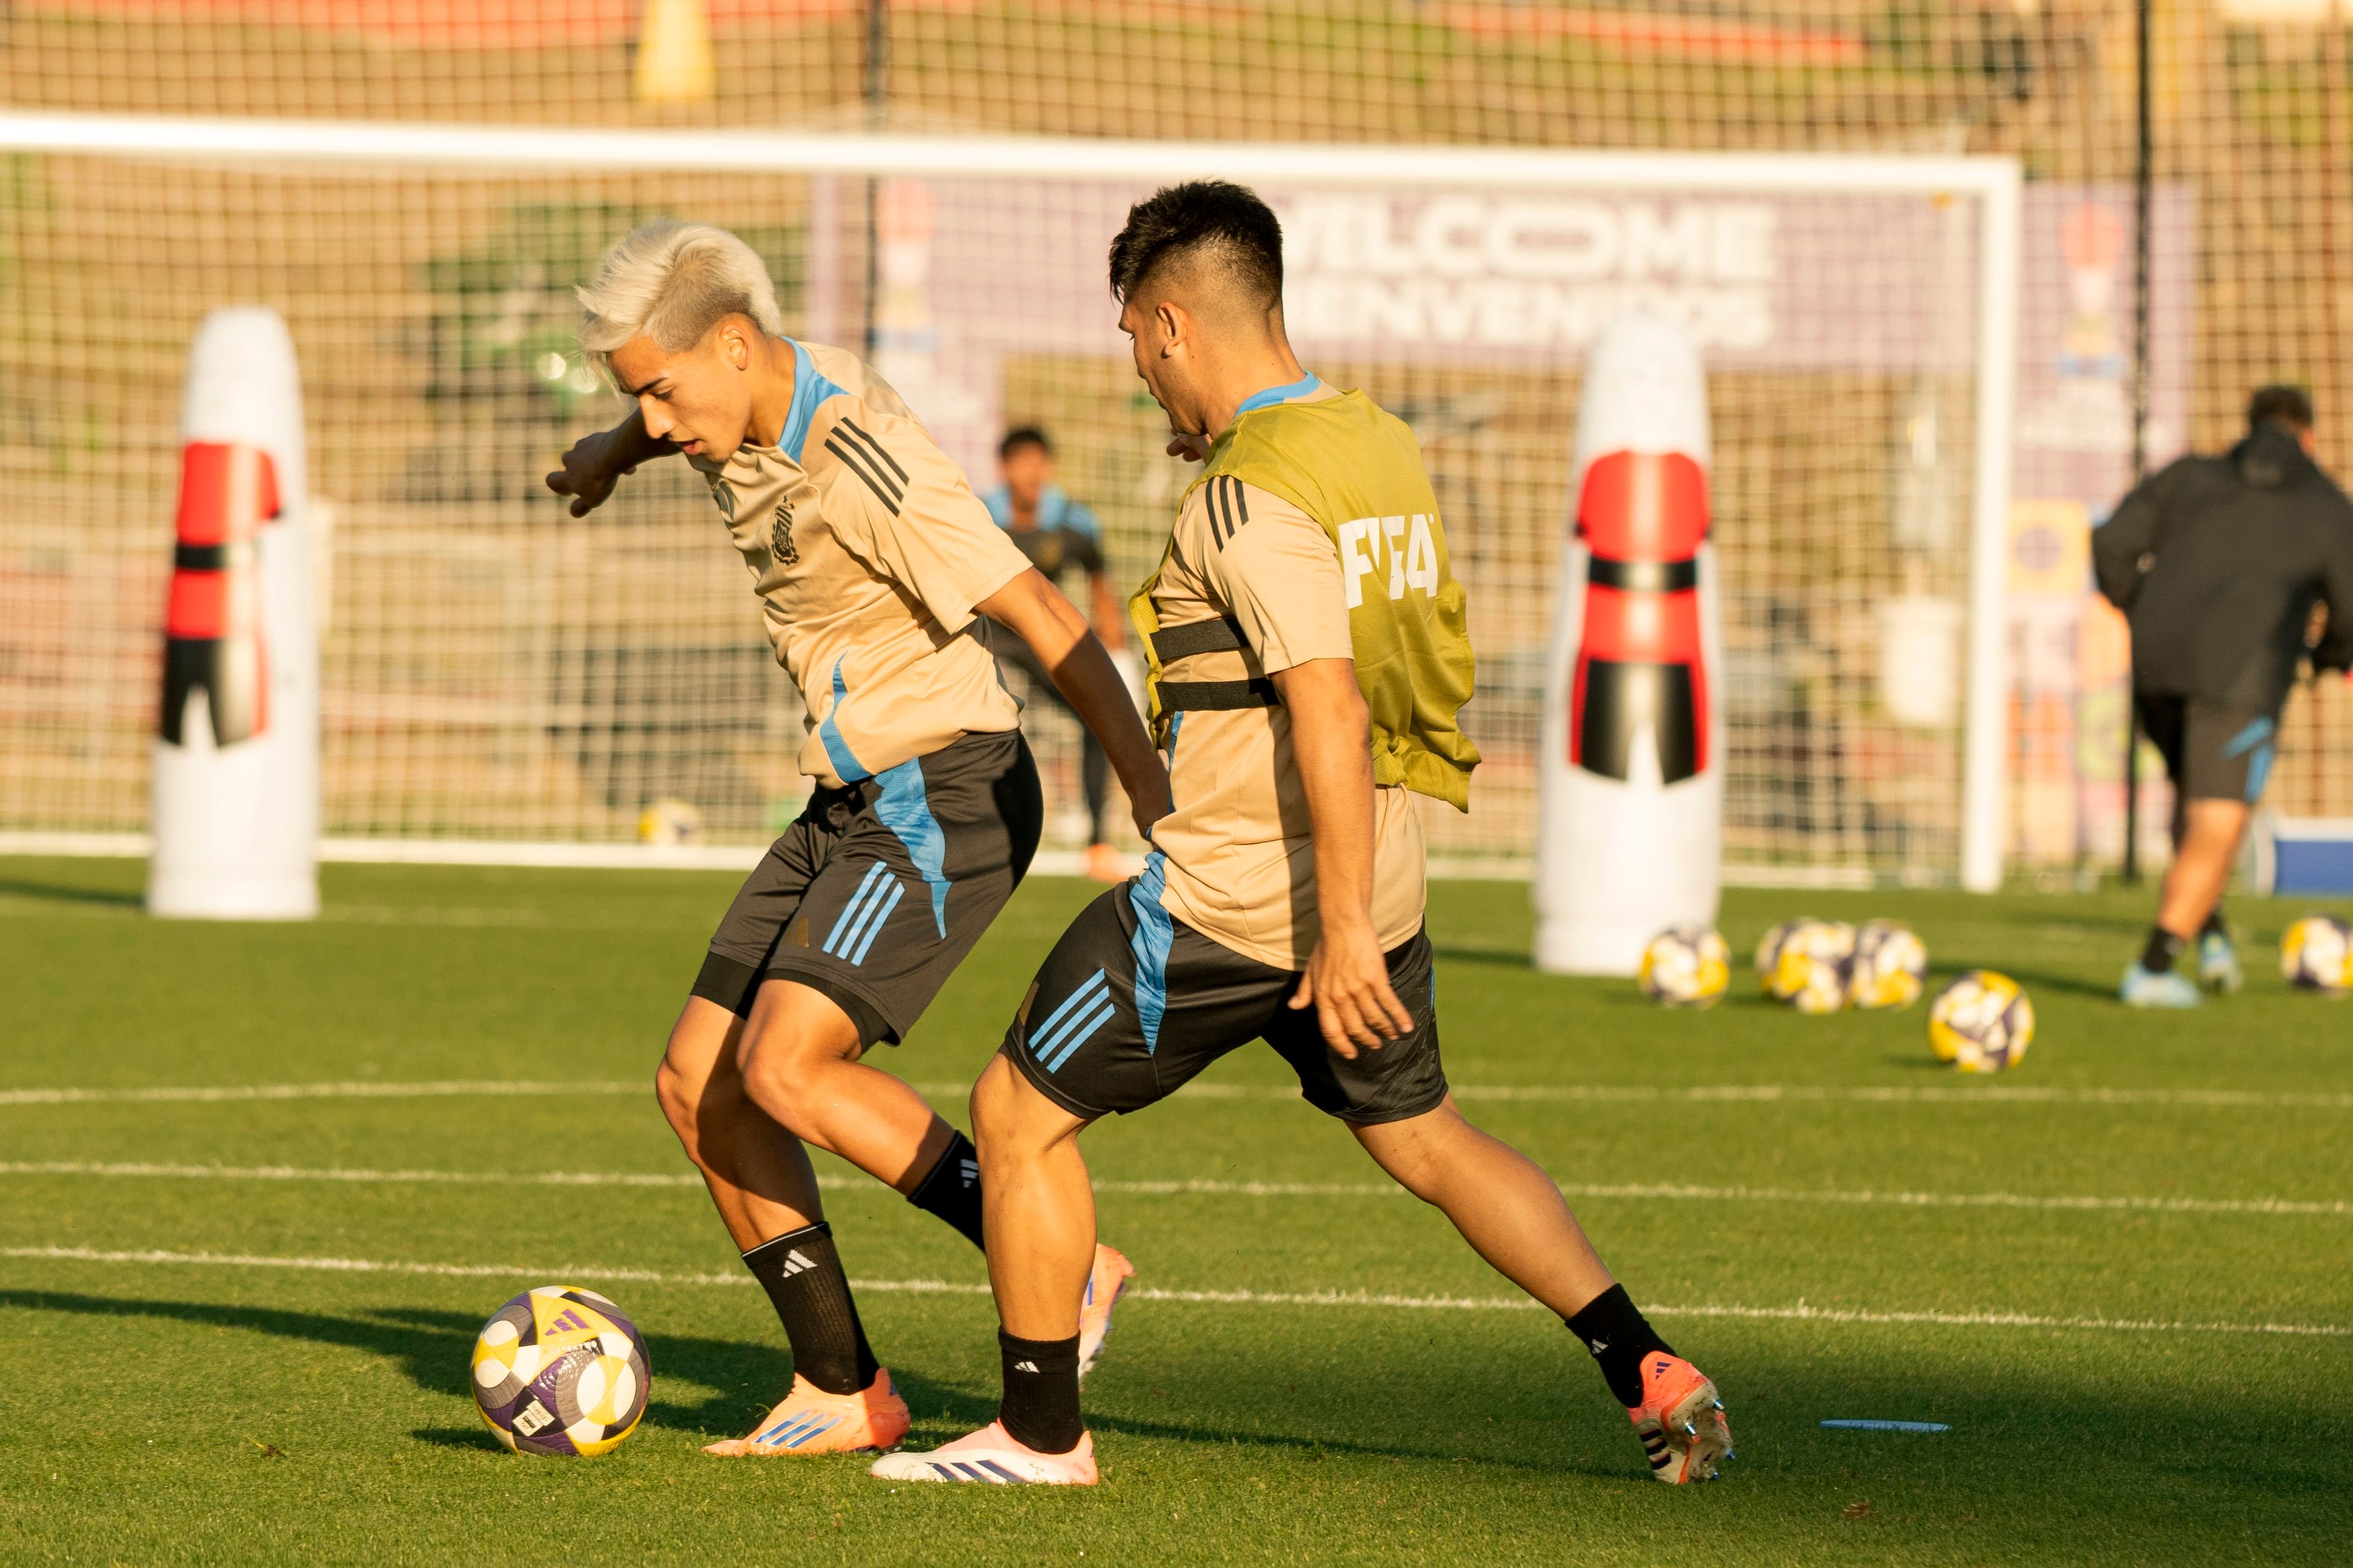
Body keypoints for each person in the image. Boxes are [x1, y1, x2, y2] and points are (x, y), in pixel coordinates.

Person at [871, 182, 1732, 1488]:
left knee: (1014, 1110)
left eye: (1133, 341)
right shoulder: (1370, 442)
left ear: (1170, 325)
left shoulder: (1242, 496)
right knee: (1427, 1136)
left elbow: (1322, 692)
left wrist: (1329, 934)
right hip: (1375, 880)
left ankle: (1040, 1434)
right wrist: (1354, 918)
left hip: (1242, 899)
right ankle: (1643, 1363)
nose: (1140, 370)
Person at [544, 221, 1172, 1456]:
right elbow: (662, 408)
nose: (660, 423)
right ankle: (842, 1386)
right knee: (697, 1085)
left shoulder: (860, 453)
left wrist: (1152, 793)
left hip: (947, 787)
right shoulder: (725, 404)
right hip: (851, 795)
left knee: (782, 1067)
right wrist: (610, 453)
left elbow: (1043, 614)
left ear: (732, 346)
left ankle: (1062, 1254)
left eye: (659, 396)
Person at [2096, 384, 2353, 1008]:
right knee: (2217, 819)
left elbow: (2110, 544)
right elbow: (2349, 607)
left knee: (2192, 794)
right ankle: (2155, 965)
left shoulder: (2187, 476)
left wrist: (2142, 607)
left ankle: (2209, 931)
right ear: (2308, 436)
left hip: (2154, 668)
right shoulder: (2324, 506)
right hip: (2238, 679)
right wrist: (2328, 658)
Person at [981, 427, 1130, 883]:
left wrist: (1114, 639)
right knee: (969, 724)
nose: (1031, 471)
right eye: (1021, 462)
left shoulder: (1071, 521)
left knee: (1096, 717)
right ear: (1005, 469)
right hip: (984, 637)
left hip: (1036, 637)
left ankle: (1099, 842)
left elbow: (1098, 576)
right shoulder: (979, 516)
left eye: (1038, 461)